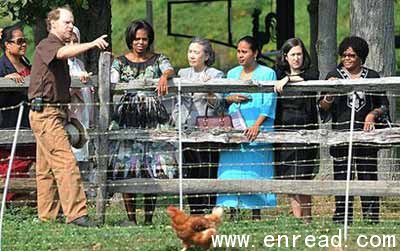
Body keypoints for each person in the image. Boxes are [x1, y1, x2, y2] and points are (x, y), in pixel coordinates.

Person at [28, 6, 108, 227]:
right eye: (67, 22)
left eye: (72, 22)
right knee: (66, 163)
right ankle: (77, 215)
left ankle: (47, 217)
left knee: (46, 170)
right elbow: (62, 53)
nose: (71, 26)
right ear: (53, 24)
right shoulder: (48, 45)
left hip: (51, 112)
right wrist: (92, 44)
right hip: (46, 114)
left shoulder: (56, 48)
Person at [110, 19, 176, 225]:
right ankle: (131, 218)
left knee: (151, 166)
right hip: (128, 115)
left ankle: (148, 218)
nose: (140, 43)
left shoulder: (158, 60)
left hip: (152, 115)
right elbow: (112, 80)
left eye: (144, 39)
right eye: (137, 39)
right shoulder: (119, 62)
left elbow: (169, 68)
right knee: (127, 165)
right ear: (130, 39)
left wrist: (164, 76)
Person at [319, 36, 390, 224]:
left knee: (368, 176)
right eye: (344, 55)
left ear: (361, 57)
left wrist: (372, 115)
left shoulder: (372, 76)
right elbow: (322, 108)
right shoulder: (333, 75)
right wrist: (330, 93)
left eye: (352, 55)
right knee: (342, 176)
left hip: (366, 137)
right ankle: (342, 218)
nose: (347, 58)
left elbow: (384, 104)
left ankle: (371, 218)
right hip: (341, 135)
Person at [216, 36, 277, 220]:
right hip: (234, 128)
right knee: (231, 169)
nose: (240, 55)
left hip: (257, 128)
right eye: (238, 51)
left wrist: (256, 125)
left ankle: (255, 212)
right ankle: (233, 211)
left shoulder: (268, 74)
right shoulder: (232, 73)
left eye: (244, 51)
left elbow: (269, 102)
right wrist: (230, 98)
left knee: (255, 169)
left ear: (255, 53)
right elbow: (223, 98)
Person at [172, 37, 224, 215]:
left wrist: (208, 87)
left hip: (207, 129)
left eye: (196, 52)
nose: (192, 55)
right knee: (189, 170)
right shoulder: (183, 73)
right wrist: (178, 119)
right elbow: (177, 101)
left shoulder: (216, 74)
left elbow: (218, 103)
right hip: (186, 128)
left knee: (207, 168)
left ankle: (208, 210)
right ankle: (194, 210)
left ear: (207, 56)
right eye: (190, 51)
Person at [273, 38, 319, 223]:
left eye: (299, 54)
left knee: (304, 176)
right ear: (285, 56)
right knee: (289, 176)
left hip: (306, 131)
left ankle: (308, 219)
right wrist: (283, 78)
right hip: (284, 132)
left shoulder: (310, 73)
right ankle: (297, 219)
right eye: (293, 54)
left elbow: (311, 78)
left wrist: (288, 79)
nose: (296, 58)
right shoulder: (277, 75)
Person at [0, 23, 35, 203]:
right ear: (7, 44)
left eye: (25, 41)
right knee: (11, 169)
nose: (23, 45)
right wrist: (4, 82)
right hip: (9, 124)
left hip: (29, 124)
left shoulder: (26, 63)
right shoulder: (1, 67)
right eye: (19, 41)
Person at [67, 26, 95, 185]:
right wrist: (76, 83)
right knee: (71, 158)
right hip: (71, 118)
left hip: (84, 117)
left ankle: (84, 195)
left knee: (83, 155)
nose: (72, 44)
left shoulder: (79, 63)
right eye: (67, 41)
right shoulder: (61, 64)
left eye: (75, 41)